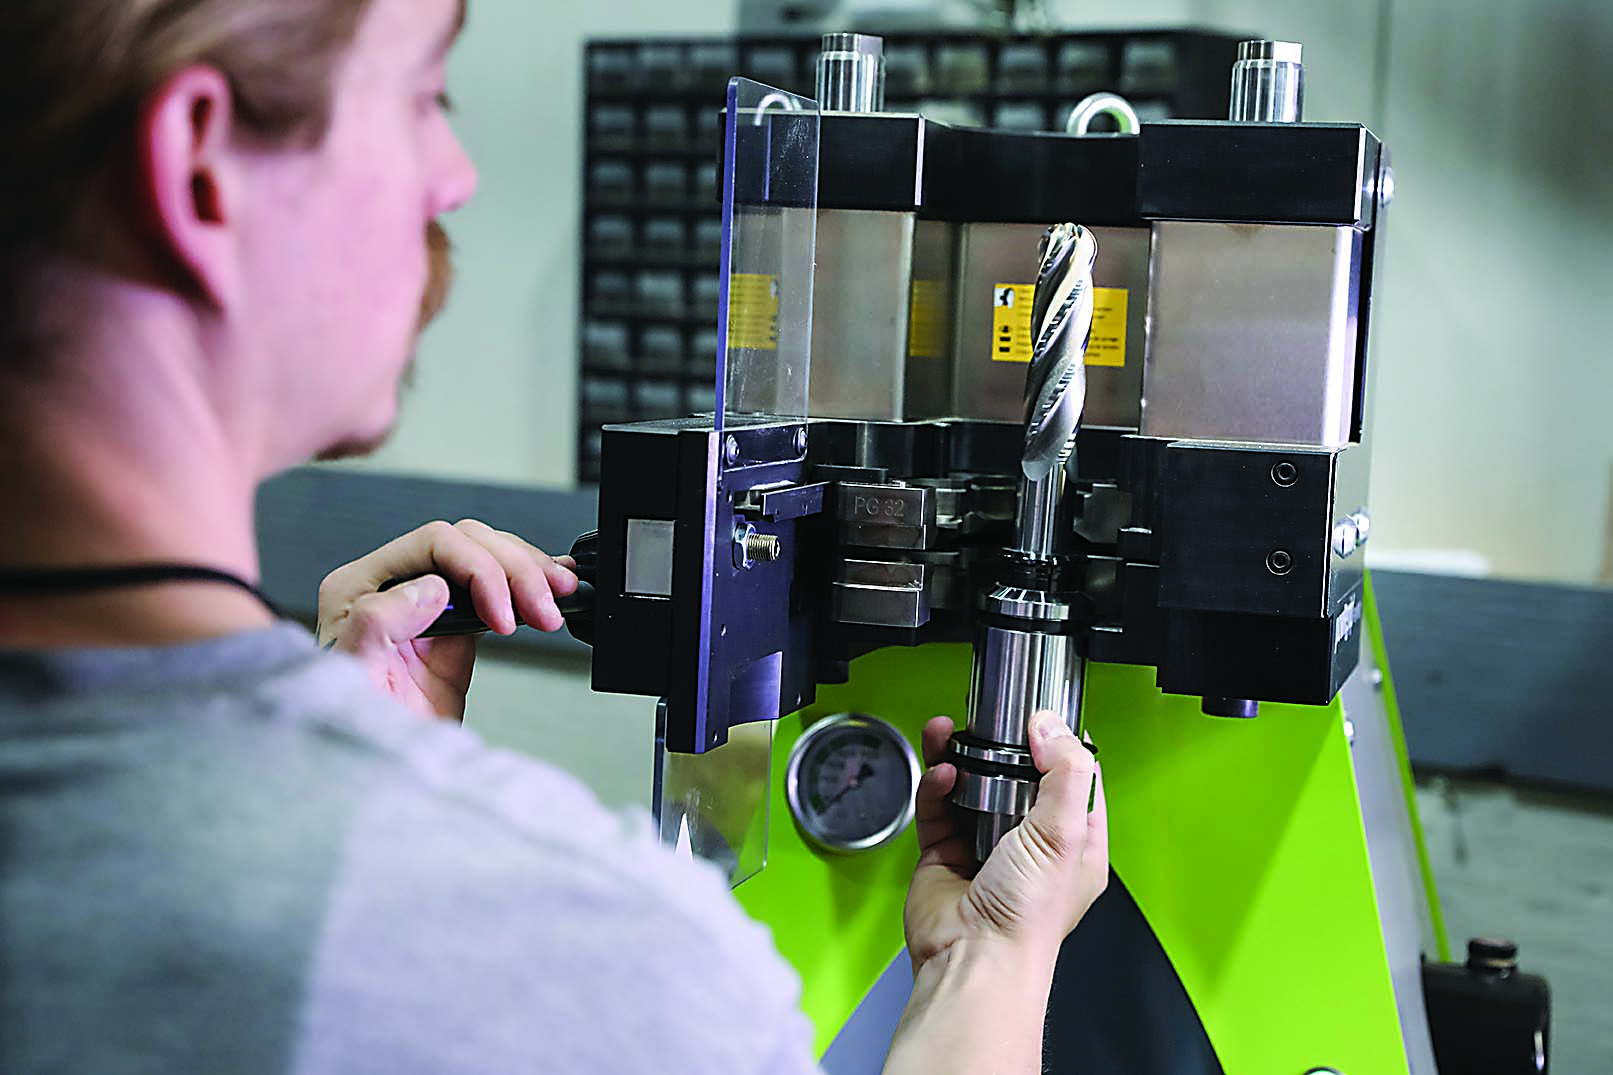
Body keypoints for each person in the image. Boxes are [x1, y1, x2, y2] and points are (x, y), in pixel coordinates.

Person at [0, 1, 1108, 1072]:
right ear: (201, 166)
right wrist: (988, 959)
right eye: (423, 95)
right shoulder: (581, 948)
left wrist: (338, 766)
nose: (455, 174)